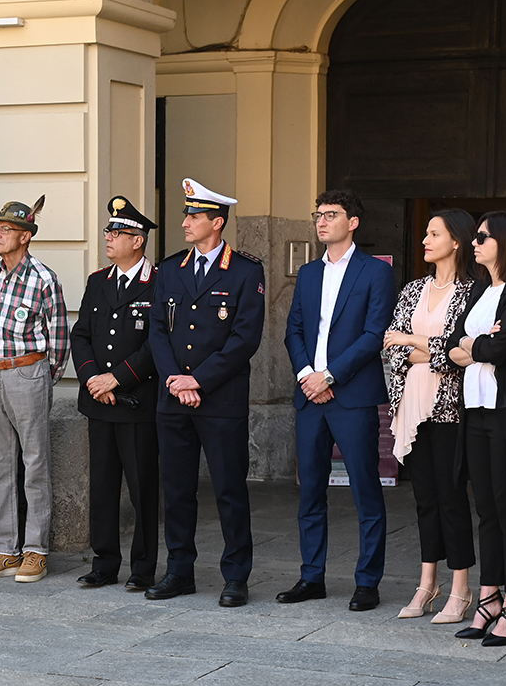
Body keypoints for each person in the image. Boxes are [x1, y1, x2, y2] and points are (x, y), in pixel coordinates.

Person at [146, 178, 265, 607]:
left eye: (194, 216)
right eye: (186, 215)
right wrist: (177, 380)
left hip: (220, 400)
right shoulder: (170, 268)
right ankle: (179, 570)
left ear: (217, 222)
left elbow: (244, 338)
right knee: (176, 489)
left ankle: (236, 575)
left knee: (229, 489)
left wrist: (199, 380)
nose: (185, 223)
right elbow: (158, 330)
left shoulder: (247, 270)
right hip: (173, 398)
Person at [280, 189, 395, 612]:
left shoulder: (374, 272)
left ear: (354, 222)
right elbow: (293, 330)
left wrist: (329, 376)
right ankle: (312, 577)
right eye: (318, 214)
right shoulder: (309, 274)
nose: (322, 221)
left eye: (332, 214)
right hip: (310, 396)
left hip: (351, 395)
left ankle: (368, 581)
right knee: (310, 490)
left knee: (366, 489)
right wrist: (306, 375)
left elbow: (373, 334)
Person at [446, 211, 506, 646]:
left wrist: (477, 345)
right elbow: (453, 344)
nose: (475, 243)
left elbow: (498, 347)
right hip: (477, 410)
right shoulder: (482, 289)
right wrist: (474, 345)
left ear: (504, 241)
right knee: (485, 506)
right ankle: (488, 598)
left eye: (483, 237)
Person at [383, 210, 478, 623]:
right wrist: (422, 346)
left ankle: (460, 588)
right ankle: (427, 583)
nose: (424, 238)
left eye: (434, 233)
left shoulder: (472, 292)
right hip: (411, 404)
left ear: (456, 241)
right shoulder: (412, 289)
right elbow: (392, 344)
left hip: (450, 407)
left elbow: (462, 351)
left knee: (451, 498)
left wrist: (415, 343)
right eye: (425, 232)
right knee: (424, 500)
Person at [0, 198, 69, 583]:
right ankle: (4, 549)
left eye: (6, 229)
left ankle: (36, 550)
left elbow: (59, 338)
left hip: (27, 374)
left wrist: (42, 377)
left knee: (35, 464)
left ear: (25, 237)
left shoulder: (44, 279)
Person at [71, 196, 160, 590]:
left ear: (138, 241)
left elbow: (157, 342)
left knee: (142, 488)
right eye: (109, 231)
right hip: (99, 402)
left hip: (137, 402)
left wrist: (117, 380)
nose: (109, 237)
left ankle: (142, 568)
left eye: (117, 232)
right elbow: (82, 336)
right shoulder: (98, 281)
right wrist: (94, 380)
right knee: (102, 488)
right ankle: (104, 563)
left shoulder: (158, 283)